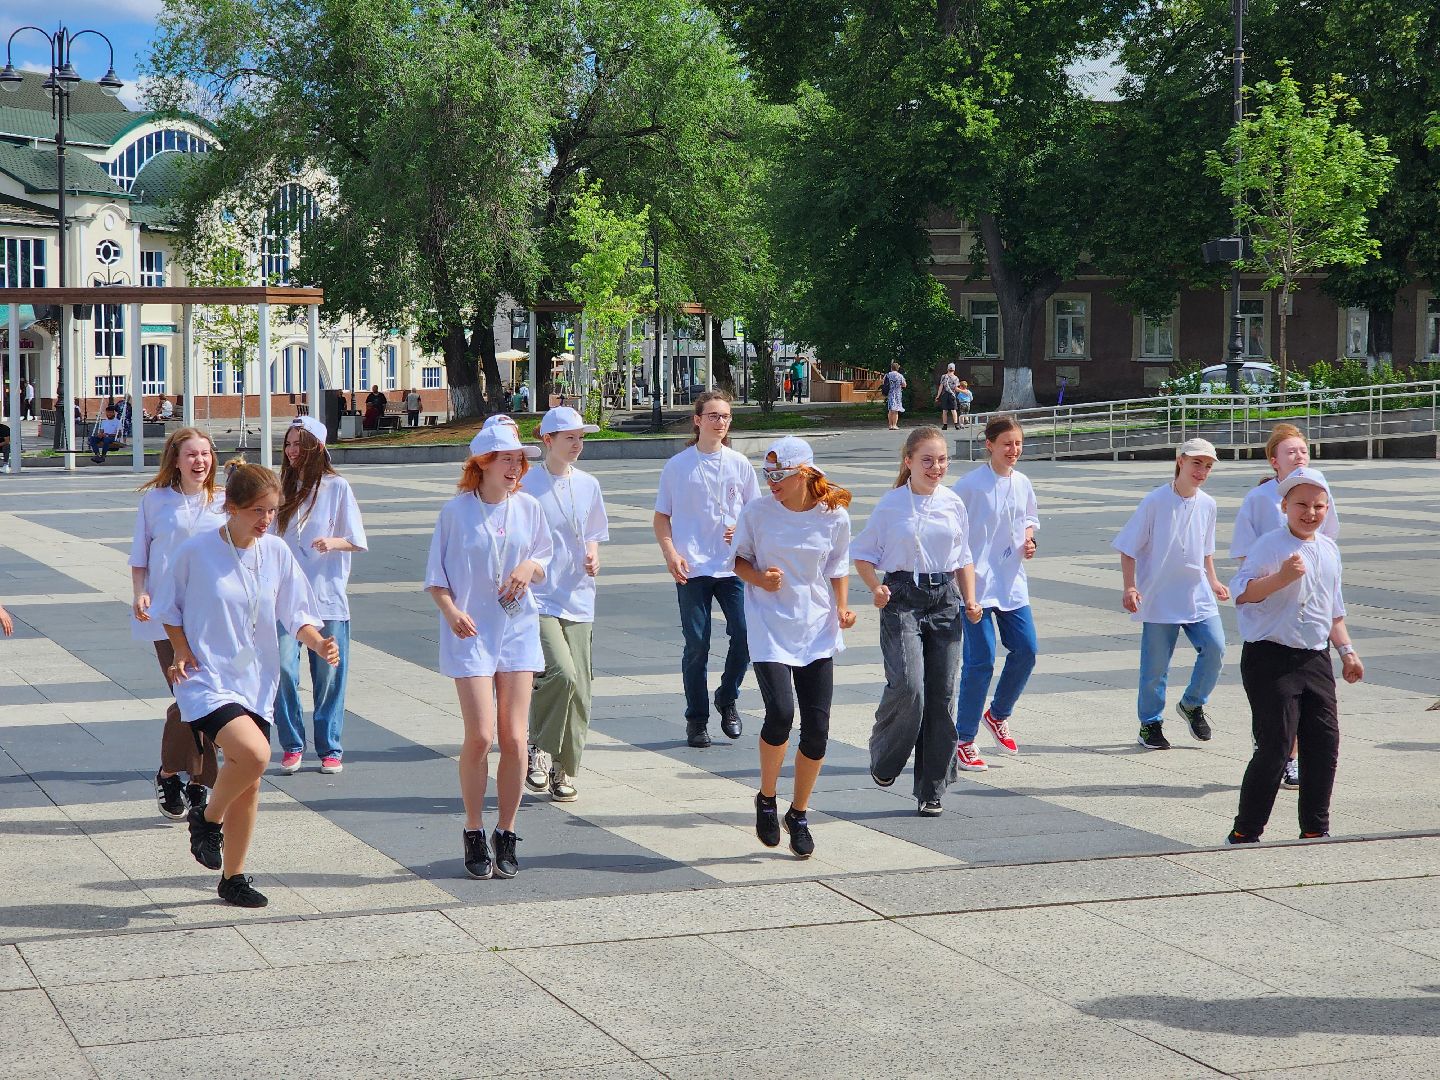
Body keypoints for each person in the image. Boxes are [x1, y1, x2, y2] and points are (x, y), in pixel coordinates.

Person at [152, 459, 337, 908]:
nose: (266, 519)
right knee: (255, 754)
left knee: (250, 780)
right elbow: (168, 609)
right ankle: (207, 818)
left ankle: (232, 878)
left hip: (256, 679)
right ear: (230, 507)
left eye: (272, 510)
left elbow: (296, 611)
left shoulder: (274, 551)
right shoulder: (196, 552)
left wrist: (316, 642)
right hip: (206, 678)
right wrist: (179, 649)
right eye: (257, 510)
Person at [425, 424, 551, 880]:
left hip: (518, 628)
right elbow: (435, 579)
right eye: (507, 459)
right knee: (481, 736)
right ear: (481, 463)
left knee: (515, 739)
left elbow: (544, 558)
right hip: (470, 630)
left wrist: (528, 564)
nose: (516, 468)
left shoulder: (530, 508)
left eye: (520, 460)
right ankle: (474, 828)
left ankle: (507, 830)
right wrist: (451, 610)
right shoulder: (456, 512)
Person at [732, 436, 855, 858]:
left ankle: (798, 812)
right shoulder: (757, 512)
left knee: (817, 730)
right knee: (781, 712)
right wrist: (760, 580)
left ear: (803, 473)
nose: (771, 483)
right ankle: (767, 798)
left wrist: (842, 607)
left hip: (816, 626)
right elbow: (738, 560)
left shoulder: (833, 517)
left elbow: (838, 567)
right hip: (768, 623)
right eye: (766, 475)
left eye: (779, 475)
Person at [1227, 467, 1362, 844]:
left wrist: (1347, 652)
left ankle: (1316, 828)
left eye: (1319, 505)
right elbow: (1243, 593)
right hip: (1269, 657)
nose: (1311, 512)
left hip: (1315, 659)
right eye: (1301, 504)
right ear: (1284, 505)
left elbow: (1333, 611)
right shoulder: (1270, 545)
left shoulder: (1329, 549)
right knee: (1276, 745)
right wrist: (1281, 578)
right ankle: (1245, 831)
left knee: (1324, 742)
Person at [852, 426, 983, 816]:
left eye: (942, 460)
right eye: (927, 460)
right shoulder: (891, 505)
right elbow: (862, 555)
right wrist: (875, 586)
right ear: (908, 462)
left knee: (942, 696)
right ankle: (886, 756)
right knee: (910, 687)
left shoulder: (952, 503)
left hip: (944, 600)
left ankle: (932, 786)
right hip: (901, 599)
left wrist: (971, 600)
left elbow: (963, 557)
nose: (936, 467)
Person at [1231, 424, 1341, 791]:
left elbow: (1326, 536)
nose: (1299, 456)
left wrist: (1346, 647)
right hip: (1269, 614)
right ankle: (1276, 759)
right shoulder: (1259, 499)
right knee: (1276, 717)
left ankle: (1294, 774)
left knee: (1317, 726)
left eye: (1303, 450)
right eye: (1291, 451)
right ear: (1273, 460)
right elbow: (1247, 562)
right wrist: (1270, 579)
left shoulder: (1318, 487)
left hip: (1309, 622)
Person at [653, 390, 762, 748]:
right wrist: (671, 553)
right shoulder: (678, 466)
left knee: (744, 635)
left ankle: (727, 696)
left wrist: (741, 530)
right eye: (714, 416)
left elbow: (756, 514)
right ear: (697, 420)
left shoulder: (739, 464)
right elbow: (661, 516)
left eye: (726, 417)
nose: (721, 422)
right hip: (693, 566)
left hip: (731, 567)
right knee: (697, 645)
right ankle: (696, 720)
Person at [130, 427, 228, 821]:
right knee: (191, 696)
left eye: (205, 454)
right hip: (167, 617)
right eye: (191, 454)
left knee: (202, 699)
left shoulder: (224, 502)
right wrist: (140, 592)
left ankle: (175, 774)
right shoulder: (155, 501)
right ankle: (195, 783)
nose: (199, 461)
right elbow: (141, 556)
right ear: (175, 459)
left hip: (212, 617)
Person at [1114, 438, 1230, 750]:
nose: (1202, 471)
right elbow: (1128, 548)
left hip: (1197, 594)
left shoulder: (1208, 504)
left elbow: (1205, 551)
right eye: (1197, 463)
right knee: (1154, 668)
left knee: (1216, 648)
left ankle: (1193, 703)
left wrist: (1214, 581)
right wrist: (1130, 586)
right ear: (1180, 460)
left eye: (1207, 466)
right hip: (1159, 596)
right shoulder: (1155, 501)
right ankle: (1150, 724)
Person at [521, 406, 609, 803]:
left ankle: (564, 770)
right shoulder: (526, 485)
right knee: (561, 674)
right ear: (548, 441)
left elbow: (593, 533)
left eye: (581, 438)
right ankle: (538, 747)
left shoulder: (589, 484)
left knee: (582, 690)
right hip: (537, 597)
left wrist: (593, 555)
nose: (577, 444)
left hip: (578, 596)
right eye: (569, 437)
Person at [274, 416, 368, 775]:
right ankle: (292, 744)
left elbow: (356, 540)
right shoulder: (279, 486)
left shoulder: (336, 487)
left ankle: (330, 746)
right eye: (288, 444)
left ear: (317, 447)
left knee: (328, 673)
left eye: (300, 444)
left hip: (326, 596)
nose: (293, 451)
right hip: (284, 599)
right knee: (283, 667)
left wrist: (333, 542)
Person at [952, 415, 1039, 771]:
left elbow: (1029, 518)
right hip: (974, 586)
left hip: (1011, 583)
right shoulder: (970, 485)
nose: (1013, 450)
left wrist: (1030, 539)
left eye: (1017, 443)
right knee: (981, 661)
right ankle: (964, 738)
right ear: (989, 445)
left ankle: (998, 713)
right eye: (1007, 443)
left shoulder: (1023, 483)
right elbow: (952, 527)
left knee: (1027, 650)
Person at [881, 362, 907, 431]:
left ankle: (890, 425)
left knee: (890, 410)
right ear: (898, 368)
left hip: (890, 394)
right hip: (897, 393)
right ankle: (894, 425)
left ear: (891, 368)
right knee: (896, 410)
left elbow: (883, 383)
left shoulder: (887, 375)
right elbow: (904, 385)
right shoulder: (900, 375)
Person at [935, 363, 960, 430]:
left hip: (945, 394)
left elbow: (941, 387)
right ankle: (956, 425)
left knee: (945, 410)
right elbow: (956, 388)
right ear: (954, 370)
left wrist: (938, 396)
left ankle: (945, 425)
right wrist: (964, 391)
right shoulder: (956, 378)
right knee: (953, 410)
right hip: (952, 395)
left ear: (947, 369)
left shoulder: (943, 376)